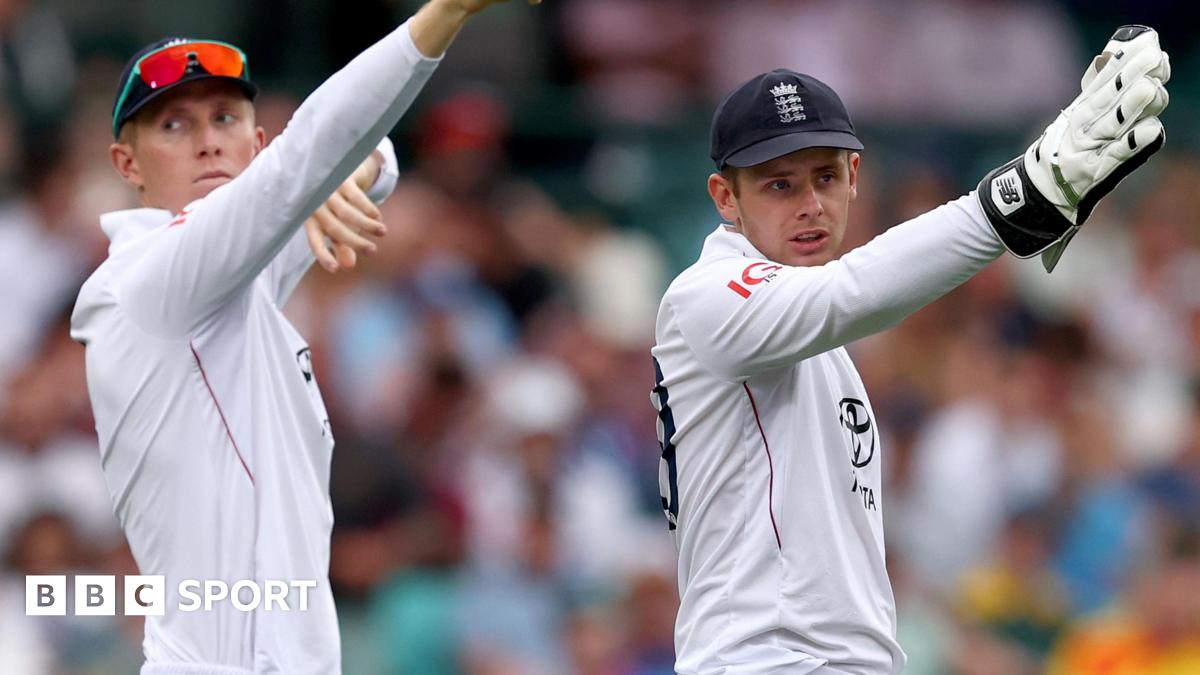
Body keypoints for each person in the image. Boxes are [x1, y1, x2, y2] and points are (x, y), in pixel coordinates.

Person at [650, 26, 1170, 675]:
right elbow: (852, 291)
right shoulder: (707, 295)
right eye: (778, 185)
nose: (810, 204)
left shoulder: (816, 344)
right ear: (726, 197)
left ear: (854, 177)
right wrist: (1019, 199)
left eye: (824, 177)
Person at [69, 1, 540, 673]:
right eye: (174, 124)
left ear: (253, 145)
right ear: (127, 163)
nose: (207, 141)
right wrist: (447, 12)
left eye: (225, 119)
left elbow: (371, 154)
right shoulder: (142, 282)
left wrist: (345, 175)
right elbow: (311, 150)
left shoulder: (245, 276)